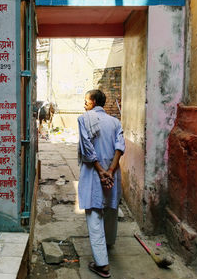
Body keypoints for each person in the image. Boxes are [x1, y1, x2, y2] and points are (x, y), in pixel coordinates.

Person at [77, 89, 125, 278]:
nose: (84, 104)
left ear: (94, 101)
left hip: (93, 172)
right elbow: (120, 147)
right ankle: (108, 244)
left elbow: (87, 147)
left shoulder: (84, 119)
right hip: (112, 172)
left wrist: (101, 171)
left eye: (86, 101)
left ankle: (102, 264)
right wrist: (111, 171)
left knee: (95, 214)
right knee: (111, 210)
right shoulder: (115, 122)